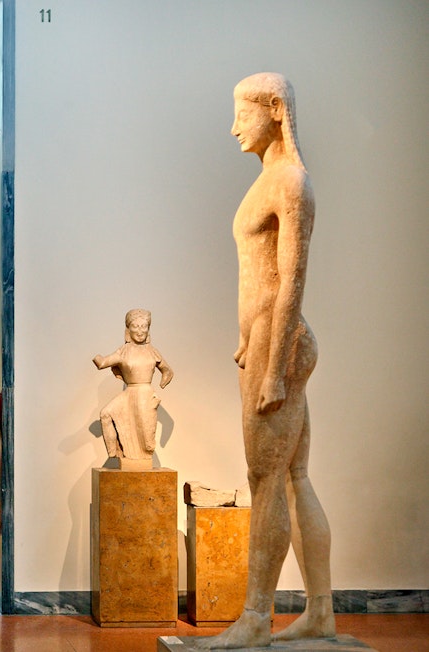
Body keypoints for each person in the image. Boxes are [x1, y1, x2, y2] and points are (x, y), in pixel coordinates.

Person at [198, 73, 334, 648]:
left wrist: (274, 365)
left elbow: (291, 284)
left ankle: (257, 615)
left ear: (275, 109)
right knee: (295, 475)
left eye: (242, 114)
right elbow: (261, 276)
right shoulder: (269, 182)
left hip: (280, 344)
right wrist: (247, 341)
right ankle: (321, 613)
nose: (233, 127)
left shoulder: (291, 183)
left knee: (266, 479)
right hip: (263, 342)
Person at [92, 308, 173, 468]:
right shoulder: (124, 351)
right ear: (128, 329)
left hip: (145, 394)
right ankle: (115, 452)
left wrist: (163, 382)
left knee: (147, 443)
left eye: (144, 326)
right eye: (136, 326)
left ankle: (139, 458)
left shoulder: (152, 352)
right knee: (106, 414)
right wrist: (98, 359)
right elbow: (104, 362)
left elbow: (167, 370)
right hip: (129, 393)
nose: (140, 331)